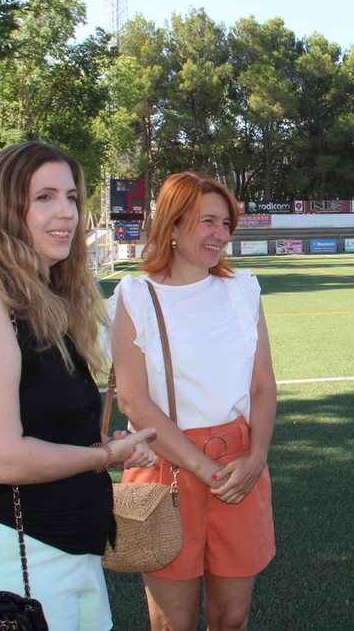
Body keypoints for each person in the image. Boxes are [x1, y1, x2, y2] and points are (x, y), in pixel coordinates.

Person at [0, 141, 158, 631]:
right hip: (2, 555)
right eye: (44, 197)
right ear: (3, 207)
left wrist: (98, 446)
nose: (66, 212)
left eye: (72, 197)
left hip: (61, 553)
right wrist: (105, 458)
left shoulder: (38, 297)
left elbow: (41, 430)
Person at [109, 172, 276, 631]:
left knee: (232, 618)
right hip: (168, 467)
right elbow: (133, 399)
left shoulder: (243, 289)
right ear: (174, 226)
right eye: (208, 222)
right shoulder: (135, 294)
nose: (220, 234)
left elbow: (263, 386)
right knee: (171, 623)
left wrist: (257, 456)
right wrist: (204, 470)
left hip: (240, 467)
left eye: (226, 223)